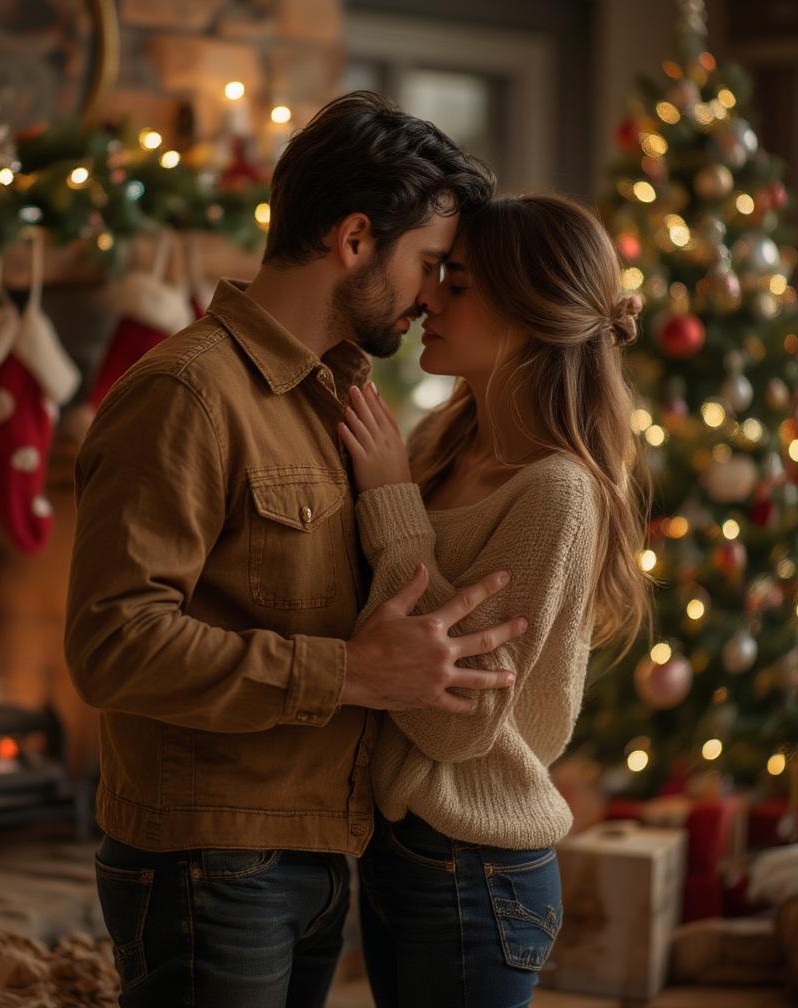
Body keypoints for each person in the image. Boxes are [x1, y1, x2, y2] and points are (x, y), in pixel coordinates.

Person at [64, 92, 523, 1008]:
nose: (434, 294)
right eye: (429, 264)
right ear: (355, 239)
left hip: (311, 852)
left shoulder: (339, 400)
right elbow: (113, 642)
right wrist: (348, 673)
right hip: (209, 861)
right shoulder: (188, 394)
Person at [338, 194, 653, 1008]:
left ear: (530, 311)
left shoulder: (557, 493)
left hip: (474, 867)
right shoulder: (440, 446)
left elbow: (453, 717)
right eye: (437, 275)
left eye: (460, 284)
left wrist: (391, 502)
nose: (429, 299)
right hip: (399, 847)